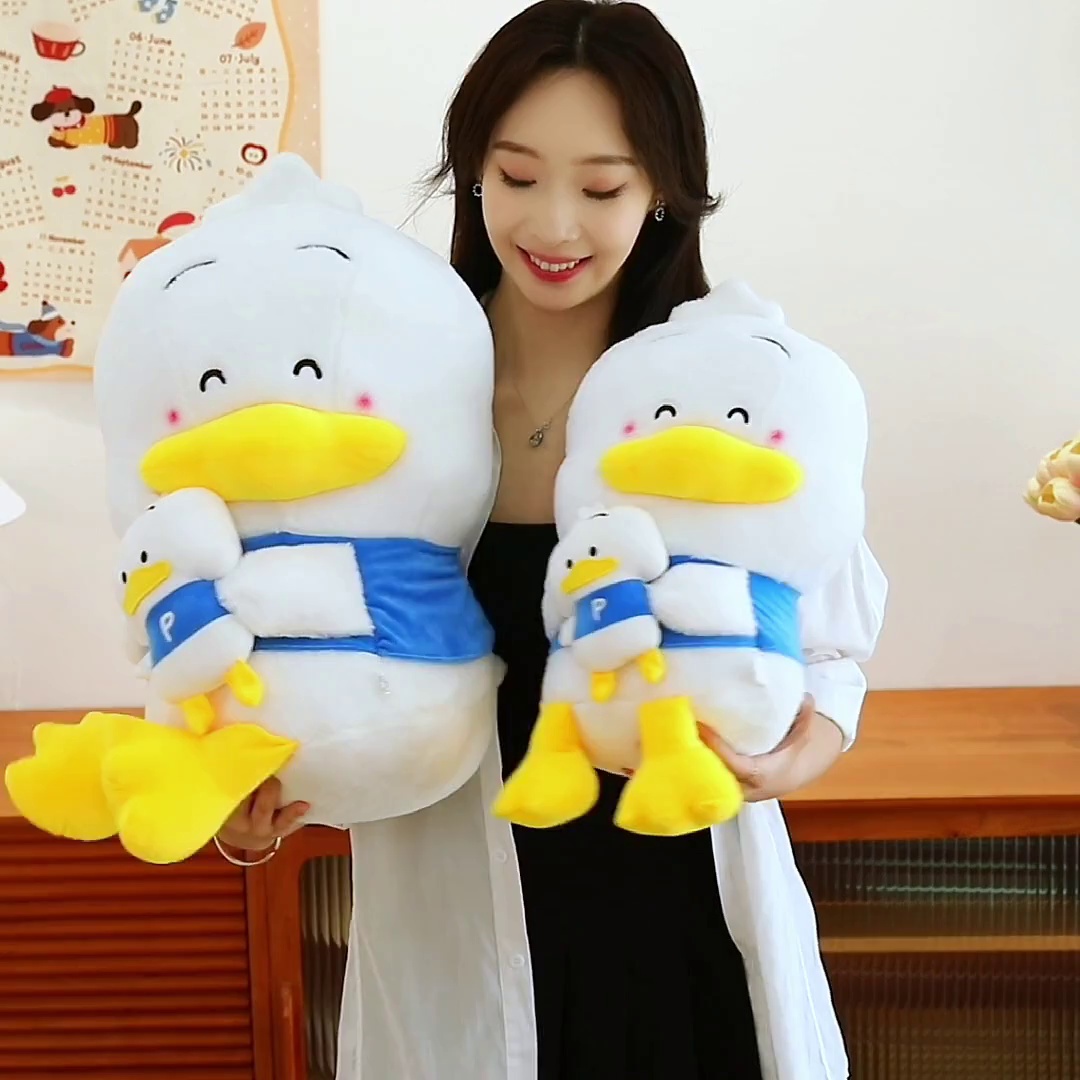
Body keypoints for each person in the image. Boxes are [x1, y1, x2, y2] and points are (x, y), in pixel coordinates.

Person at [216, 2, 888, 1077]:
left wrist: (790, 757)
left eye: (602, 187)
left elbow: (833, 646)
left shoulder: (726, 387)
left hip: (682, 914)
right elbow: (295, 633)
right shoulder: (382, 393)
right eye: (518, 177)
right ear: (473, 171)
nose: (554, 224)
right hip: (459, 922)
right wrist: (248, 797)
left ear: (663, 189)